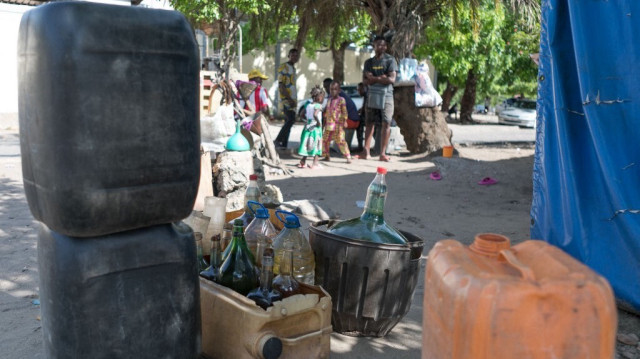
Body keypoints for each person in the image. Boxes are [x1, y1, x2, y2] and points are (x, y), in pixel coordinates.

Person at [360, 36, 397, 162]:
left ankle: (382, 154)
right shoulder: (368, 62)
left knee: (386, 122)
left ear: (386, 47)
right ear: (374, 46)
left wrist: (374, 79)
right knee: (369, 123)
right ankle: (366, 151)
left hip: (387, 95)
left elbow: (392, 79)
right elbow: (365, 81)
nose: (381, 47)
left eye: (383, 45)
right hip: (372, 95)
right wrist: (382, 78)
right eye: (378, 44)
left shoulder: (390, 60)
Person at [322, 78, 361, 152]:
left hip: (350, 121)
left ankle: (335, 146)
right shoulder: (338, 94)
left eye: (327, 87)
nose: (327, 89)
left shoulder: (335, 96)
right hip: (353, 121)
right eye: (325, 87)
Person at [274, 48, 300, 149]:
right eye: (292, 55)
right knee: (291, 120)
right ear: (288, 56)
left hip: (293, 99)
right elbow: (281, 85)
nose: (295, 57)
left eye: (296, 55)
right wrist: (289, 99)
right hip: (287, 99)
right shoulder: (284, 67)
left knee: (289, 121)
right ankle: (278, 140)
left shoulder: (293, 68)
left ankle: (284, 144)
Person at [322, 81, 352, 164]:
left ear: (339, 90)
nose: (333, 91)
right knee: (325, 140)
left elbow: (344, 111)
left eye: (335, 89)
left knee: (341, 141)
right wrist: (324, 123)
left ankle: (348, 156)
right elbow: (327, 112)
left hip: (338, 124)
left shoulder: (341, 100)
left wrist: (345, 121)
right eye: (331, 89)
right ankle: (326, 156)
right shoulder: (329, 100)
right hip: (329, 124)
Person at [297, 86, 324, 169]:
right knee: (317, 144)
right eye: (322, 97)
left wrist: (307, 121)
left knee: (307, 143)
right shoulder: (318, 106)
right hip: (316, 127)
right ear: (319, 97)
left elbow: (301, 115)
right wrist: (318, 123)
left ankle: (303, 161)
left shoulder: (308, 105)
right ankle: (315, 163)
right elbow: (315, 114)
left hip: (307, 126)